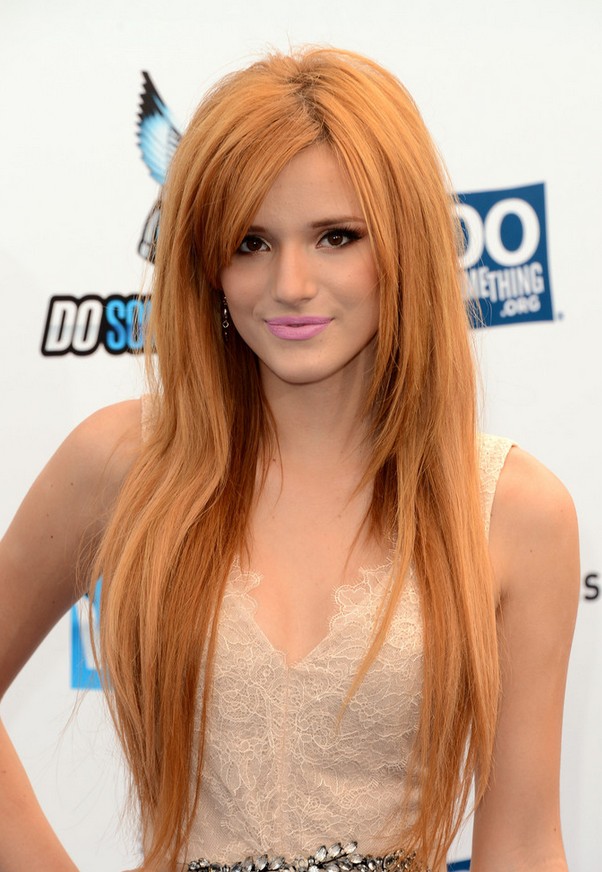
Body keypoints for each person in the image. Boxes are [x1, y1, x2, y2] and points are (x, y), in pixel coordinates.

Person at [0, 47, 579, 872]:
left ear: (407, 246)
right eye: (251, 242)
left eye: (337, 236)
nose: (292, 284)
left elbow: (522, 843)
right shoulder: (121, 465)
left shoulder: (514, 511)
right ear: (208, 265)